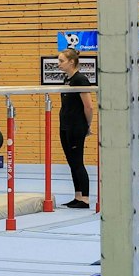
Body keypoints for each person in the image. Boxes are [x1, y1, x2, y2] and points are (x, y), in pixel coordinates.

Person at [58, 48, 95, 208]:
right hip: (65, 125)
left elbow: (89, 106)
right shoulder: (67, 80)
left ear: (71, 62)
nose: (58, 64)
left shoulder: (81, 80)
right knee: (72, 162)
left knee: (78, 162)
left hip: (76, 126)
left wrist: (87, 125)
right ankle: (77, 196)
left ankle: (85, 198)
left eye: (61, 61)